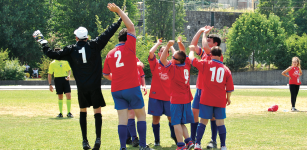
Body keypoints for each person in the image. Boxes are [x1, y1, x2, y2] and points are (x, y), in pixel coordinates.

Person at [33, 4, 122, 149]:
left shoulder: (71, 49)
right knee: (97, 111)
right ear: (87, 37)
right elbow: (108, 33)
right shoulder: (95, 44)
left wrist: (42, 41)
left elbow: (51, 54)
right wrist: (119, 19)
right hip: (95, 86)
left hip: (82, 87)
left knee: (83, 112)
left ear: (76, 37)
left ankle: (85, 141)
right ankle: (98, 139)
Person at [102, 3, 153, 150]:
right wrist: (118, 11)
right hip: (131, 87)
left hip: (116, 89)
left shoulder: (110, 53)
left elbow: (105, 74)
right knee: (141, 116)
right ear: (128, 37)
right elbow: (131, 27)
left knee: (122, 120)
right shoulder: (130, 46)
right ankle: (143, 146)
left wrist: (117, 78)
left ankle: (123, 147)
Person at [189, 45, 234, 150]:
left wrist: (191, 50)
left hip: (206, 99)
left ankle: (197, 144)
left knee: (203, 121)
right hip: (220, 100)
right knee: (220, 123)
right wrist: (228, 98)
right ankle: (223, 146)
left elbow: (192, 59)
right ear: (221, 55)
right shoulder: (226, 69)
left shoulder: (206, 63)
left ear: (210, 55)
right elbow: (229, 88)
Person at [189, 26, 223, 149]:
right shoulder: (204, 54)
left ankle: (213, 140)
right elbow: (192, 45)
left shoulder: (218, 56)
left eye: (209, 40)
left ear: (215, 44)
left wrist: (204, 34)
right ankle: (193, 141)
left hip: (210, 91)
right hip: (200, 89)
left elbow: (204, 47)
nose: (206, 41)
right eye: (207, 39)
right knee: (194, 114)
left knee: (212, 116)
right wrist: (199, 31)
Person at [147, 37, 184, 146]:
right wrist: (158, 43)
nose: (163, 52)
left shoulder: (172, 64)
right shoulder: (155, 64)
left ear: (168, 54)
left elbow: (177, 54)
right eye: (161, 51)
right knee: (156, 119)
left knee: (171, 119)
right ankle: (157, 140)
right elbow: (150, 52)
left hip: (169, 97)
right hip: (155, 97)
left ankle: (174, 136)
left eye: (165, 51)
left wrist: (171, 46)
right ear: (158, 54)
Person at [160, 40, 194, 150]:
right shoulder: (186, 63)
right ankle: (188, 141)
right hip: (186, 98)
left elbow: (162, 59)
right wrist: (178, 44)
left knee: (175, 123)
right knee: (181, 122)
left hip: (177, 99)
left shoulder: (174, 68)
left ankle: (180, 145)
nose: (172, 59)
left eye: (173, 58)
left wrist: (168, 46)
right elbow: (182, 51)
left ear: (177, 61)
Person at [126, 58, 147, 147]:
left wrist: (144, 85)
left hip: (136, 90)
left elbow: (141, 74)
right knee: (131, 114)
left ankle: (128, 138)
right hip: (128, 89)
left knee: (135, 114)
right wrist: (136, 64)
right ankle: (134, 139)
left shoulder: (135, 58)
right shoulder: (124, 57)